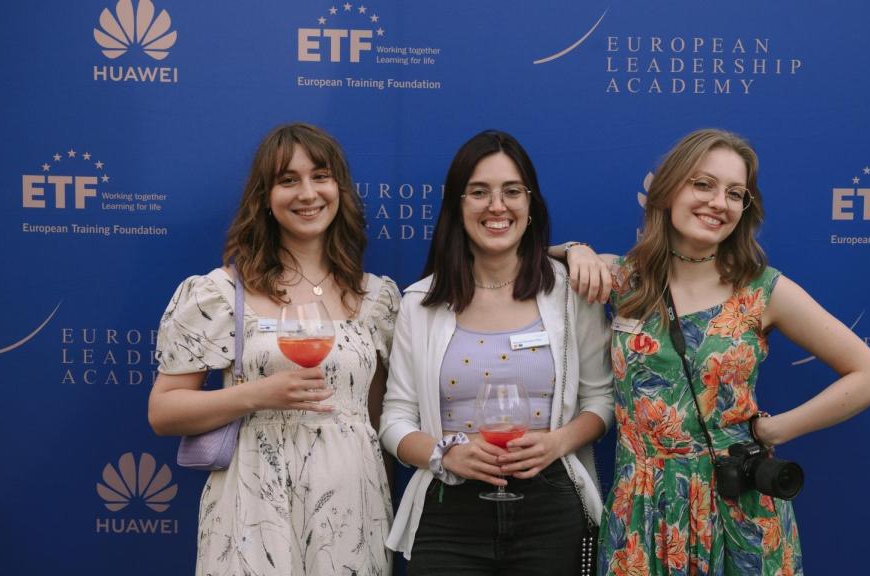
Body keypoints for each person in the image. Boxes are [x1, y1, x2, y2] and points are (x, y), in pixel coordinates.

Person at [577, 129, 870, 575]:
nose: (718, 202)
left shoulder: (762, 290)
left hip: (737, 508)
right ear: (667, 190)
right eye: (702, 184)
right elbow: (533, 261)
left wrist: (773, 430)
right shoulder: (624, 279)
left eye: (734, 193)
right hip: (643, 509)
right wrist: (574, 250)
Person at [148, 123, 398, 576]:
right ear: (265, 197)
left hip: (352, 505)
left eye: (320, 176)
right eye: (288, 180)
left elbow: (380, 419)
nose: (307, 193)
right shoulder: (220, 294)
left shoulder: (376, 300)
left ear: (338, 189)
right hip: (251, 505)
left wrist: (565, 253)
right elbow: (163, 412)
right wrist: (257, 395)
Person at [379, 129, 614, 574]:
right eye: (479, 192)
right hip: (449, 512)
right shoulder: (420, 303)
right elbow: (394, 419)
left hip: (551, 507)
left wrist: (556, 443)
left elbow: (600, 400)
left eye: (511, 191)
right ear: (457, 205)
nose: (497, 206)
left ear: (530, 203)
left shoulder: (570, 294)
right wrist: (443, 454)